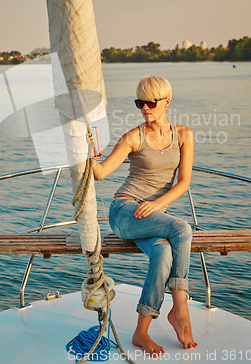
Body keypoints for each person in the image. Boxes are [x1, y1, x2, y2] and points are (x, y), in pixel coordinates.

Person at [92, 75, 197, 356]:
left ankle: (141, 332)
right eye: (140, 103)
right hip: (124, 212)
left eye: (150, 102)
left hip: (152, 216)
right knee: (182, 229)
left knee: (163, 253)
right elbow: (101, 172)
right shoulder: (133, 137)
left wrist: (157, 203)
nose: (145, 108)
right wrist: (86, 152)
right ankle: (181, 308)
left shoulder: (184, 135)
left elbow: (183, 182)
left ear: (166, 102)